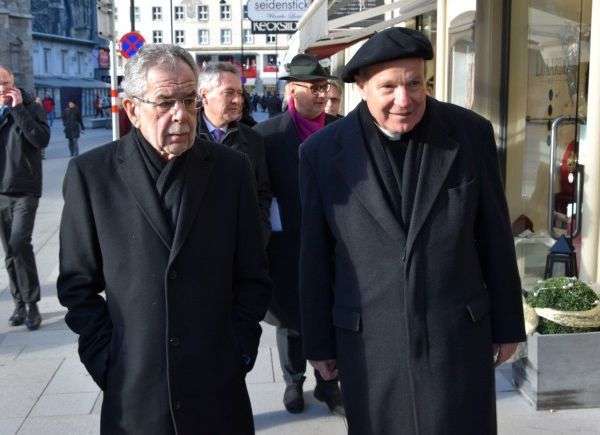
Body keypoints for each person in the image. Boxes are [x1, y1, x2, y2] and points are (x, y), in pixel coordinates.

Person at [298, 27, 526, 435]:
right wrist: (318, 343)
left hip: (456, 337)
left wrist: (508, 324)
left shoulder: (470, 134)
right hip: (370, 345)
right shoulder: (321, 152)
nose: (404, 100)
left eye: (415, 83)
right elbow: (315, 255)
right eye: (389, 87)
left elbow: (494, 235)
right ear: (362, 87)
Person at [57, 44, 271, 435]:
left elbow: (253, 274)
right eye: (165, 102)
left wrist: (240, 347)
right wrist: (106, 359)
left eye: (189, 101)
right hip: (134, 391)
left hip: (217, 386)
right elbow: (77, 285)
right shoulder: (92, 175)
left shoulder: (231, 171)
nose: (181, 115)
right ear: (132, 109)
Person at [254, 53, 344, 416]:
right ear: (293, 90)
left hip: (336, 242)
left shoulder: (341, 130)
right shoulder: (268, 136)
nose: (322, 95)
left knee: (332, 311)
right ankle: (294, 381)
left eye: (325, 87)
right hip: (288, 244)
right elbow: (260, 192)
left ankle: (328, 384)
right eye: (315, 88)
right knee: (291, 317)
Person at [197, 62, 271, 244]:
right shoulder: (184, 137)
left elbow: (262, 193)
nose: (238, 100)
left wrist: (259, 236)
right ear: (204, 95)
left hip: (240, 245)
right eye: (229, 92)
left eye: (239, 93)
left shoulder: (253, 140)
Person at [0, 65, 49, 330]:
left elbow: (41, 140)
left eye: (4, 82)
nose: (1, 88)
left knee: (19, 243)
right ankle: (19, 303)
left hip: (25, 188)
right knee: (9, 251)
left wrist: (18, 109)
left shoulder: (31, 107)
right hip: (0, 191)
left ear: (13, 82)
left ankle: (32, 304)